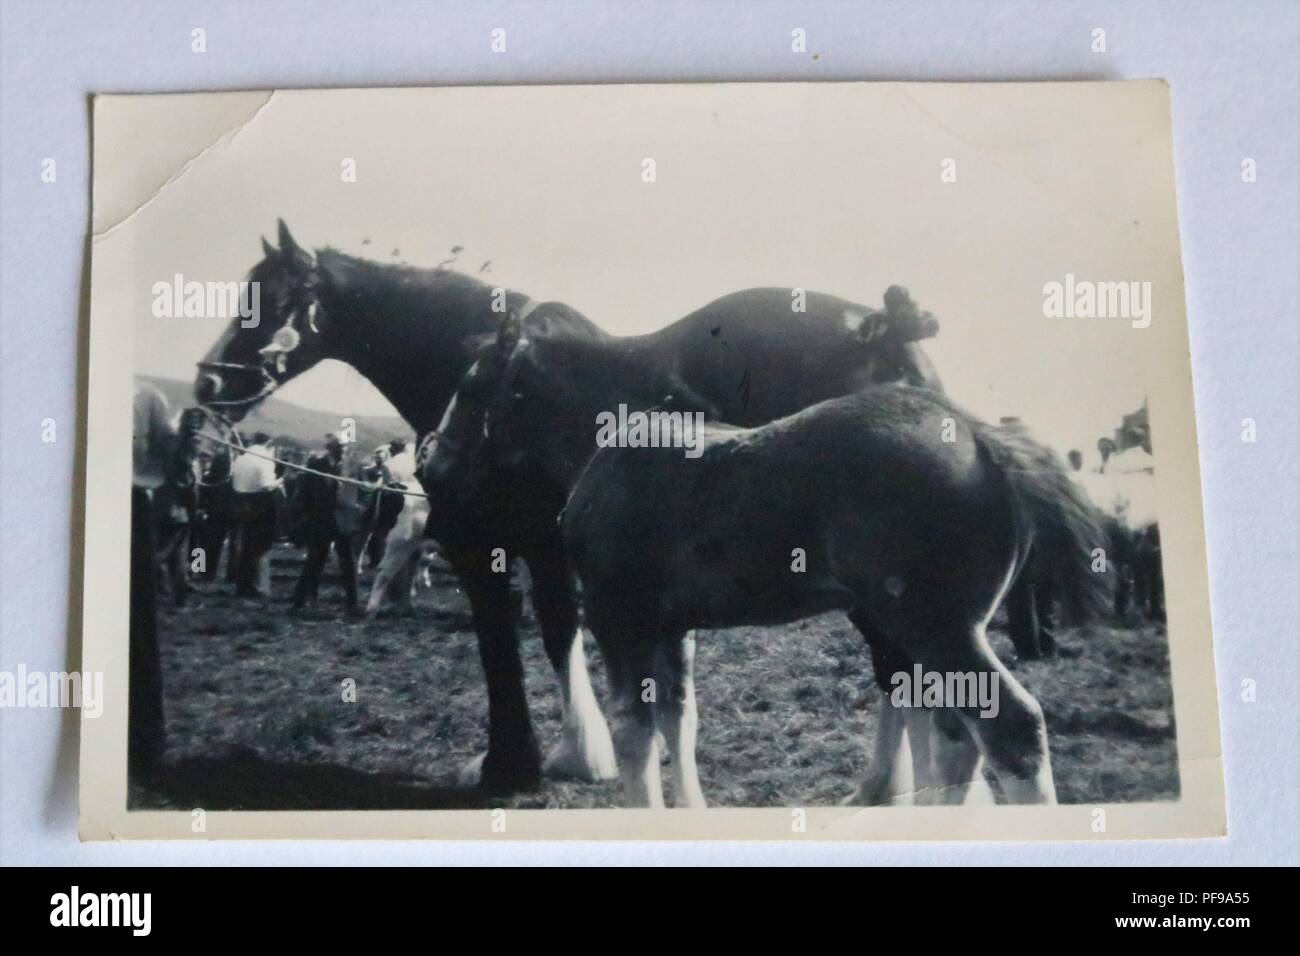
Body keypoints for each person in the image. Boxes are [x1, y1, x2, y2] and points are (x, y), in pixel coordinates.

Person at [291, 433, 364, 615]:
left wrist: (360, 508)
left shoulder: (353, 466)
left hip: (344, 520)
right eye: (339, 447)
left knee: (348, 562)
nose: (343, 450)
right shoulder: (315, 465)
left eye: (344, 447)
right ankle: (302, 601)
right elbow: (304, 493)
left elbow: (365, 489)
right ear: (330, 447)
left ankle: (353, 604)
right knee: (314, 561)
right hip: (320, 520)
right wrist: (305, 517)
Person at [229, 431, 282, 598]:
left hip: (240, 502)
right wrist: (280, 481)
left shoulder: (240, 457)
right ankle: (260, 587)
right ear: (269, 443)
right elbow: (267, 485)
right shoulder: (265, 458)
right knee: (261, 547)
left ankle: (242, 586)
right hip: (260, 502)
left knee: (245, 546)